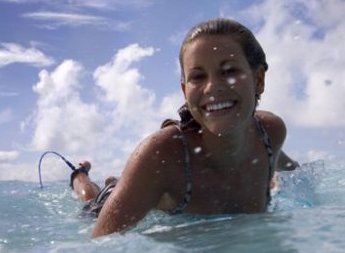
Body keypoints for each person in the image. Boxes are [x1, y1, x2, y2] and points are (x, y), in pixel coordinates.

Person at [72, 18, 299, 238]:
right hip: (109, 204)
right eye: (198, 77)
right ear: (185, 90)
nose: (212, 87)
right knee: (89, 197)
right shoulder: (161, 155)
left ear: (258, 79)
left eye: (229, 71)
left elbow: (292, 170)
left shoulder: (270, 132)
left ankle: (115, 182)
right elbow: (100, 244)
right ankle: (80, 175)